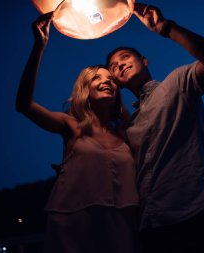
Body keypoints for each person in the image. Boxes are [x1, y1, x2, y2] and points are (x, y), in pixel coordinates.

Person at [106, 3, 204, 253]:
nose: (119, 64)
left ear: (144, 60)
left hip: (191, 212)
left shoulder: (177, 84)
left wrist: (165, 28)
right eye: (113, 66)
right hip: (151, 223)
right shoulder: (129, 126)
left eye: (125, 58)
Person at [16, 13, 139, 253]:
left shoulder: (127, 134)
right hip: (75, 223)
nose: (106, 81)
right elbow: (24, 105)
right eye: (97, 77)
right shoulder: (70, 125)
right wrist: (39, 47)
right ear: (85, 88)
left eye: (111, 79)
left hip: (123, 224)